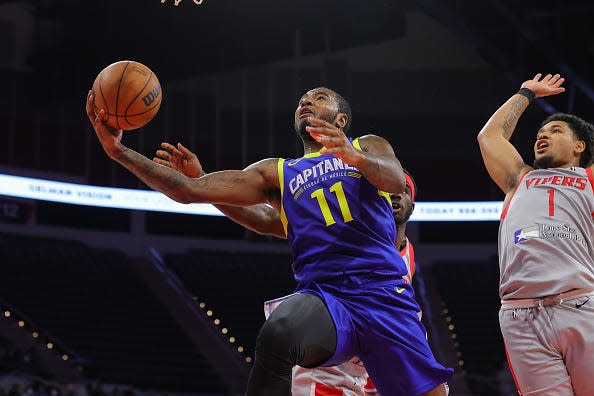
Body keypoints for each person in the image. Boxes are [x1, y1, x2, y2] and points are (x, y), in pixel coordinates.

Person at [87, 86, 453, 395]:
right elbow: (187, 190)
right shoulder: (277, 171)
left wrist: (352, 155)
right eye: (302, 99)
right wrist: (118, 151)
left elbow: (395, 181)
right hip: (327, 298)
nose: (306, 100)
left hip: (383, 296)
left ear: (341, 119)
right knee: (279, 332)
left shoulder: (368, 144)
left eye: (319, 97)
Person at [154, 143, 421, 396]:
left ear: (412, 206)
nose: (397, 194)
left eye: (405, 191)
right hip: (328, 372)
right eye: (388, 189)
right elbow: (263, 218)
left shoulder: (406, 256)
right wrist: (202, 179)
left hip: (371, 370)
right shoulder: (342, 229)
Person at [477, 73, 594, 395]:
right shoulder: (519, 179)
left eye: (556, 131)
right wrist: (525, 93)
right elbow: (490, 138)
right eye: (540, 133)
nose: (542, 136)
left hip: (580, 303)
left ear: (579, 146)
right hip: (520, 314)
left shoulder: (589, 179)